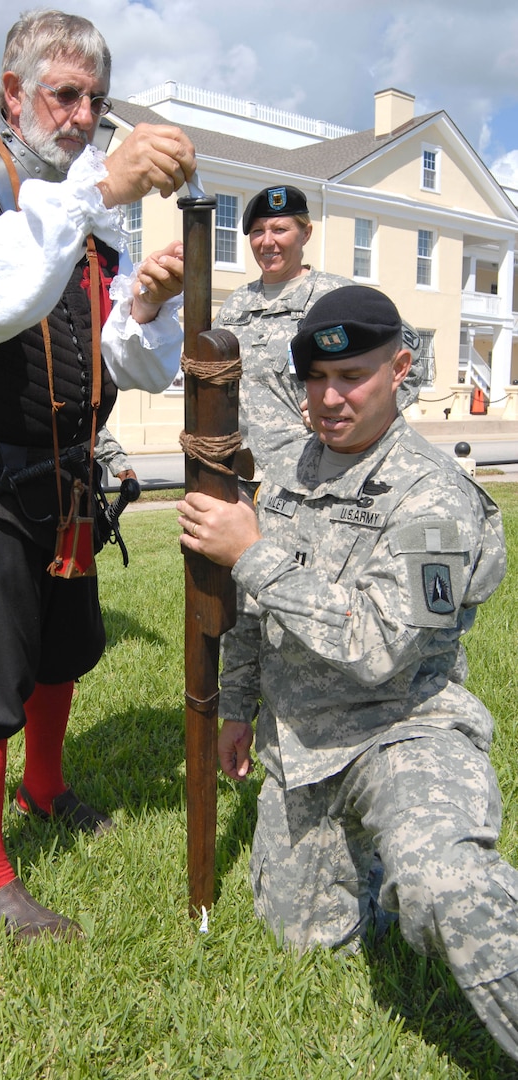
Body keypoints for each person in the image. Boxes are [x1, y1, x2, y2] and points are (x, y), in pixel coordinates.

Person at [0, 8, 196, 941]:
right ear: (11, 92)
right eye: (64, 94)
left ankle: (44, 788)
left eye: (96, 99)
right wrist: (99, 183)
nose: (84, 115)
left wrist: (144, 302)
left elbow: (129, 364)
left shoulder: (82, 213)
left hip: (67, 476)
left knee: (62, 647)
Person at [177, 285, 518, 1061]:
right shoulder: (293, 468)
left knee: (442, 886)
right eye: (314, 380)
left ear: (399, 368)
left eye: (352, 377)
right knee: (302, 943)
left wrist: (250, 551)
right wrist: (237, 708)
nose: (328, 399)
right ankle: (368, 868)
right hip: (303, 747)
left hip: (402, 730)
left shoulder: (435, 500)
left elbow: (377, 649)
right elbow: (257, 613)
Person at [213, 183, 424, 734]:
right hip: (260, 482)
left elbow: (409, 370)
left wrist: (347, 407)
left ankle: (337, 718)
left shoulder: (334, 300)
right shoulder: (236, 307)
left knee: (319, 598)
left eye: (280, 229)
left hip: (327, 477)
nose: (268, 241)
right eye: (257, 232)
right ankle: (250, 714)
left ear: (305, 232)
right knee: (252, 601)